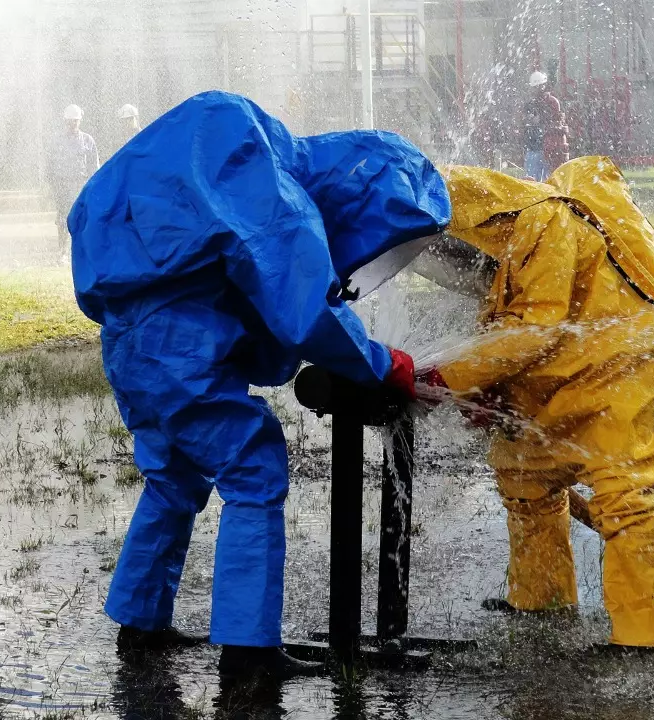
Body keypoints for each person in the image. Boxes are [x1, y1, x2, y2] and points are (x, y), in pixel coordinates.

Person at [69, 91, 450, 679]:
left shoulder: (230, 136)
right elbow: (307, 312)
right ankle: (248, 654)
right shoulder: (272, 181)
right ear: (363, 194)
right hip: (180, 345)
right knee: (253, 467)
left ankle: (139, 626)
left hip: (130, 342)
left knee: (173, 478)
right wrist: (384, 365)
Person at [420, 157, 654, 650]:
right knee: (526, 477)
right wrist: (487, 387)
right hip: (569, 365)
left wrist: (447, 375)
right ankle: (541, 601)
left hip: (620, 365)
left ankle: (648, 635)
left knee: (622, 493)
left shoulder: (542, 222)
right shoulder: (505, 239)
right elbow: (509, 319)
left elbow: (533, 329)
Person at [48, 104, 99, 251]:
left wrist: (92, 187)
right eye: (70, 121)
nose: (72, 124)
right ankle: (62, 251)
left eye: (75, 121)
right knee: (63, 219)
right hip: (62, 185)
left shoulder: (88, 140)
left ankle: (82, 251)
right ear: (65, 121)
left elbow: (93, 166)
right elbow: (50, 166)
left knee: (83, 219)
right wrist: (53, 186)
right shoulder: (57, 141)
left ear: (80, 121)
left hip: (81, 186)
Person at [522, 71, 567, 181]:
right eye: (535, 87)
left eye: (539, 86)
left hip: (547, 147)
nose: (537, 89)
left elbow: (557, 124)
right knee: (534, 179)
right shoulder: (530, 104)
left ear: (544, 86)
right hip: (535, 146)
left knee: (545, 178)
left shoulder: (552, 102)